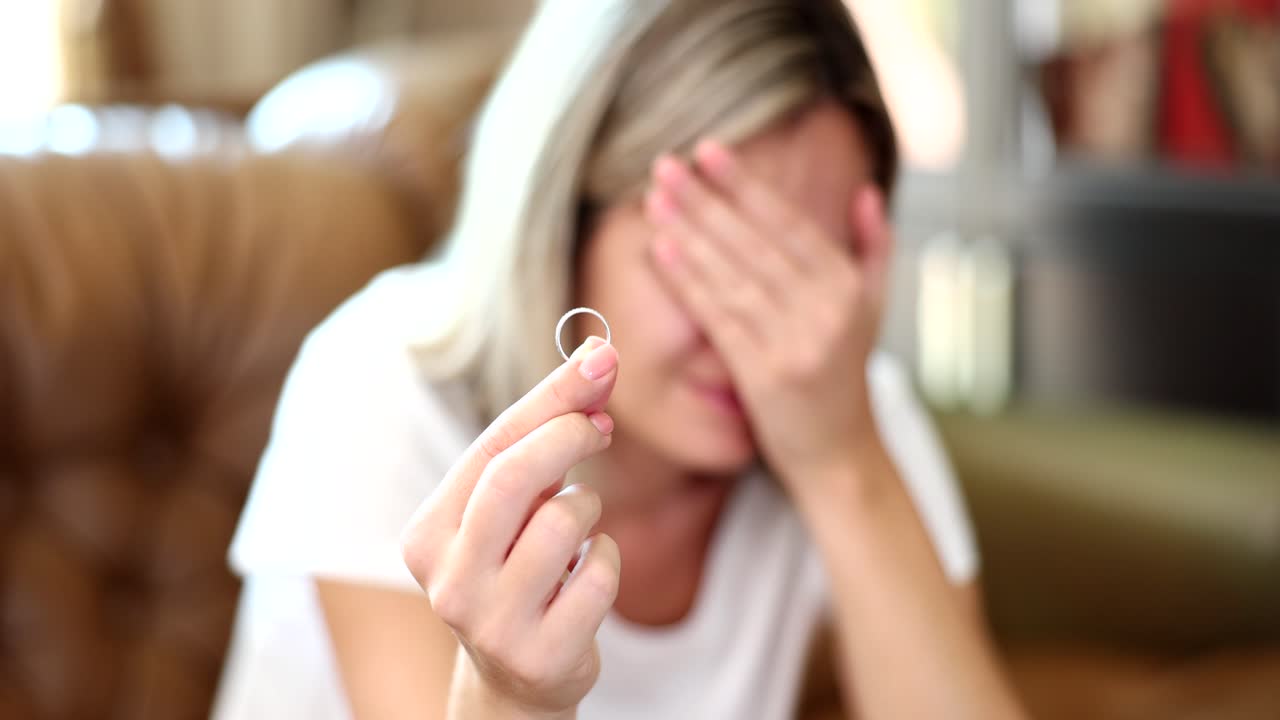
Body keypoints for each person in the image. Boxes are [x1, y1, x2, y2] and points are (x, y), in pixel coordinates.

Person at [213, 0, 1027, 718]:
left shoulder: (838, 397)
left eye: (807, 271)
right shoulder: (379, 382)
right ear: (565, 215)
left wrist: (843, 462)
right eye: (714, 255)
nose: (767, 337)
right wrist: (511, 696)